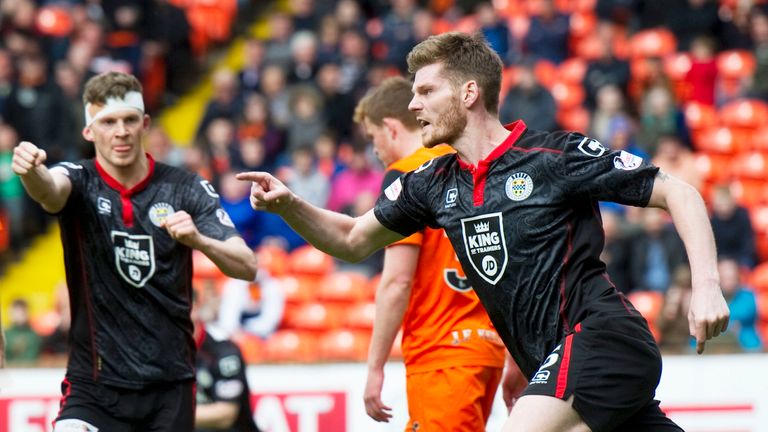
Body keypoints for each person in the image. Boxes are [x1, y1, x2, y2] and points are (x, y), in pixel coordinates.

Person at [237, 32, 731, 432]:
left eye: (426, 90)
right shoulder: (431, 184)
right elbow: (350, 239)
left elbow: (679, 193)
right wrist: (290, 205)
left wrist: (706, 286)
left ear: (469, 93)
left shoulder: (552, 157)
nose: (413, 104)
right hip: (562, 368)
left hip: (602, 338)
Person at [11, 71, 258, 432]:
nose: (120, 131)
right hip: (94, 384)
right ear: (88, 131)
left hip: (169, 385)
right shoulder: (78, 180)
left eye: (129, 120)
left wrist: (201, 242)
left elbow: (247, 266)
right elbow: (50, 189)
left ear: (144, 123)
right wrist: (31, 172)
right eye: (108, 122)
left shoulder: (185, 188)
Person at [354, 76, 522, 430]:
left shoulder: (405, 175)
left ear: (390, 128)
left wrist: (374, 367)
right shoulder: (465, 164)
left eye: (373, 138)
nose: (376, 150)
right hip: (486, 348)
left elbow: (397, 281)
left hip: (441, 351)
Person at [193, 284, 261, 432]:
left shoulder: (224, 352)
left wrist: (169, 414)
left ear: (195, 308)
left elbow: (226, 414)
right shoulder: (164, 350)